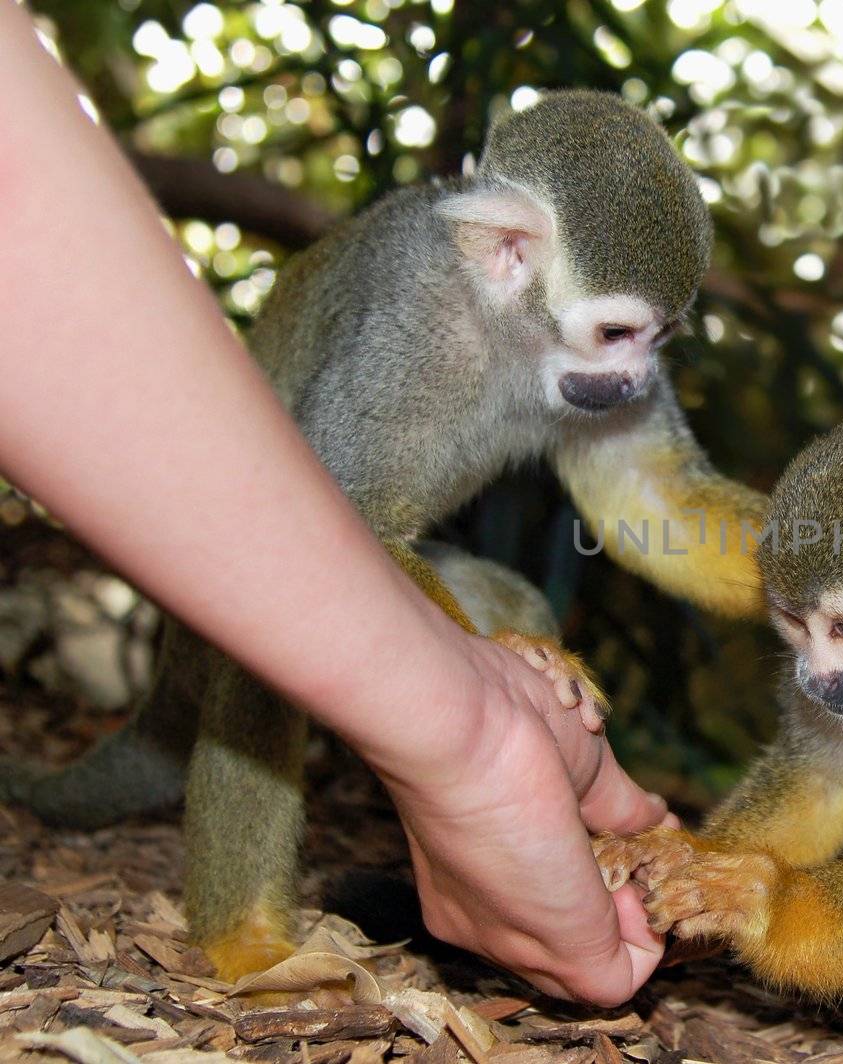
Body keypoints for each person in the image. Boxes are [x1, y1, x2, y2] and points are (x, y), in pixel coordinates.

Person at [0, 2, 669, 1006]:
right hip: (244, 568)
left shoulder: (555, 336)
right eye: (616, 334)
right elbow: (337, 517)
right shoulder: (434, 296)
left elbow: (670, 500)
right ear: (508, 252)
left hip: (334, 549)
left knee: (523, 616)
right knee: (261, 675)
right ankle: (242, 931)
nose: (633, 369)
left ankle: (528, 858)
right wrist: (458, 688)